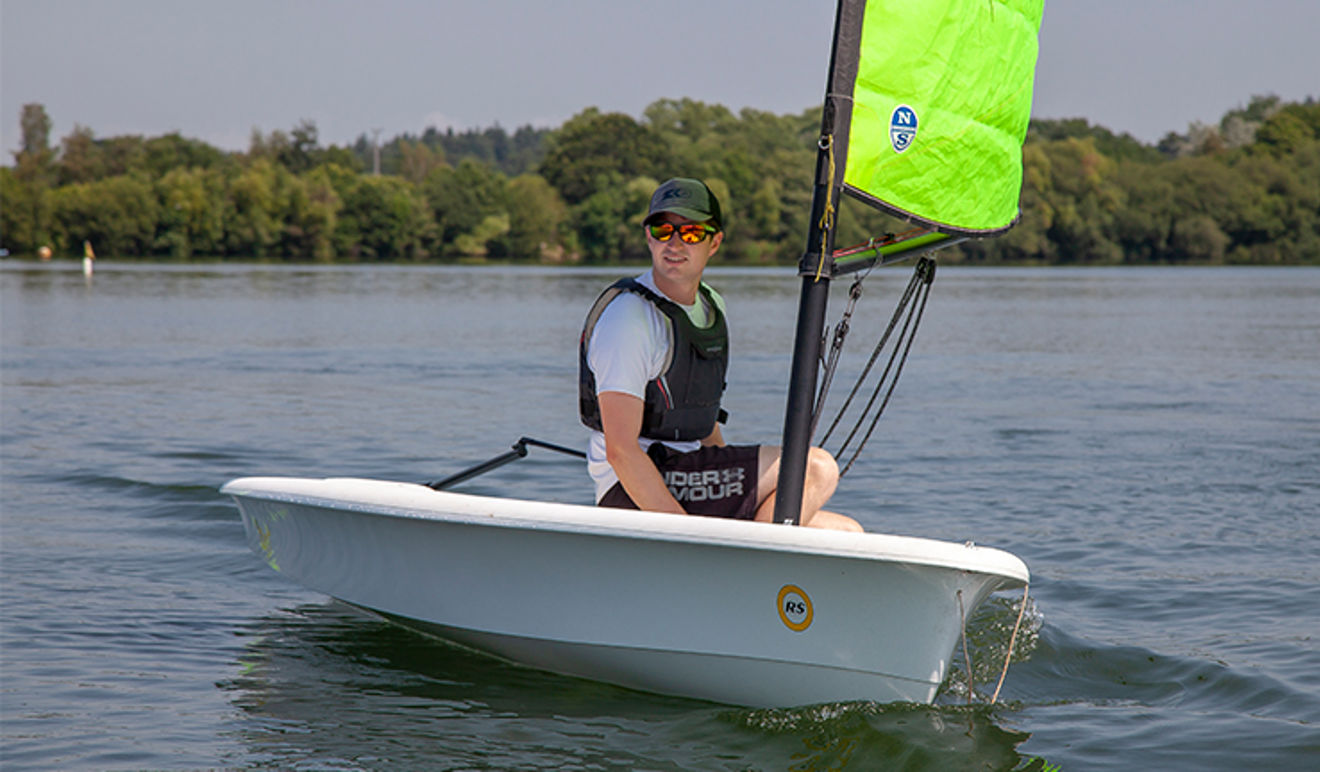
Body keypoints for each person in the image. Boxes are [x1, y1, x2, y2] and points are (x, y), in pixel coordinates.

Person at [579, 178, 861, 531]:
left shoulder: (712, 306)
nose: (675, 243)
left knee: (846, 532)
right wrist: (687, 538)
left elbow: (699, 415)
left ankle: (754, 564)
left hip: (691, 476)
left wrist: (735, 490)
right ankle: (747, 575)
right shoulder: (630, 319)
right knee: (816, 468)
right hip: (633, 489)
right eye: (663, 230)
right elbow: (621, 451)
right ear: (648, 237)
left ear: (715, 242)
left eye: (692, 233)